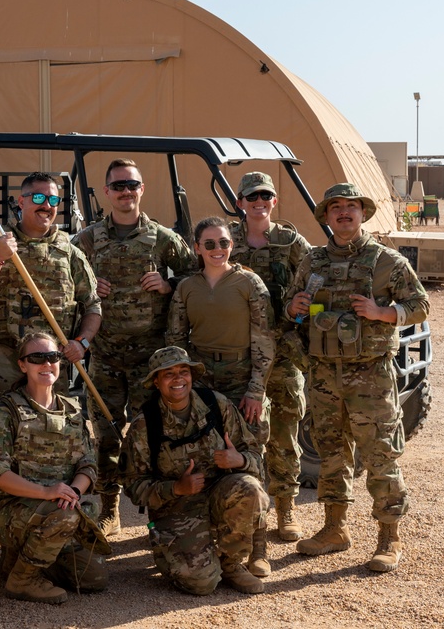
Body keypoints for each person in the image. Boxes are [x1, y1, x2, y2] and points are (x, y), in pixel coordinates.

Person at [285, 182, 429, 573]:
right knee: (332, 453)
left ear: (362, 213)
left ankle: (389, 538)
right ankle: (334, 529)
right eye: (336, 207)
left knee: (380, 454)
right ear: (327, 217)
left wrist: (383, 313)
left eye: (352, 206)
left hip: (370, 375)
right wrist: (295, 307)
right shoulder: (312, 262)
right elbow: (292, 308)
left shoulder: (387, 262)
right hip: (324, 375)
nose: (344, 213)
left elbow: (420, 305)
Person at [0, 172, 101, 566]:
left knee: (50, 447)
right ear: (19, 203)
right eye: (37, 198)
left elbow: (92, 307)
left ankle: (51, 520)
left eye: (53, 200)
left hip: (52, 367)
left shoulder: (70, 252)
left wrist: (82, 342)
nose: (46, 206)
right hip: (5, 365)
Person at [72, 159, 195, 537]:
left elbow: (196, 275)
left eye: (132, 185)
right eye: (118, 186)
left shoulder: (161, 238)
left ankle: (159, 513)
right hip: (106, 358)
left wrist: (169, 283)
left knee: (155, 436)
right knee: (106, 436)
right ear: (107, 192)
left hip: (150, 363)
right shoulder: (88, 240)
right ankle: (110, 508)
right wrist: (90, 289)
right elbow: (65, 282)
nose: (126, 192)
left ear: (142, 190)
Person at [165, 215, 274, 576]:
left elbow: (263, 338)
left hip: (241, 377)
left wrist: (256, 390)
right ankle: (210, 536)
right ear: (197, 247)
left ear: (232, 246)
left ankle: (258, 547)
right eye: (209, 244)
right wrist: (184, 385)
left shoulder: (248, 283)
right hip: (201, 380)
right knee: (205, 454)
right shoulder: (186, 288)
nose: (217, 250)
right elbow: (176, 340)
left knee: (249, 456)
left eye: (223, 243)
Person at [0, 332, 109, 604]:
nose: (46, 364)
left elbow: (88, 464)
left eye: (52, 357)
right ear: (23, 365)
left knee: (94, 579)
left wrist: (72, 493)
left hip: (54, 506)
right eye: (37, 358)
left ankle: (19, 560)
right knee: (64, 517)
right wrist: (47, 492)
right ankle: (23, 580)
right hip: (5, 508)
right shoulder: (6, 411)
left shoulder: (71, 410)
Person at [119, 346, 269, 596]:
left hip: (220, 494)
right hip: (176, 507)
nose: (178, 379)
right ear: (156, 382)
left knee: (250, 489)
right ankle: (202, 557)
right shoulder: (146, 424)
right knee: (201, 583)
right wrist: (176, 488)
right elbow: (134, 486)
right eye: (168, 374)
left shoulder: (216, 404)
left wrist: (239, 460)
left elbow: (256, 457)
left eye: (183, 371)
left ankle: (231, 563)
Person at [228, 172, 313, 543]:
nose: (258, 201)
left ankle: (285, 508)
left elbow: (318, 277)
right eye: (252, 196)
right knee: (242, 433)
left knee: (284, 432)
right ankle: (248, 510)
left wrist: (302, 308)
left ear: (274, 201)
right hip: (240, 352)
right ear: (240, 202)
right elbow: (195, 275)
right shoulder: (226, 239)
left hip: (284, 352)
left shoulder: (291, 242)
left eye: (266, 195)